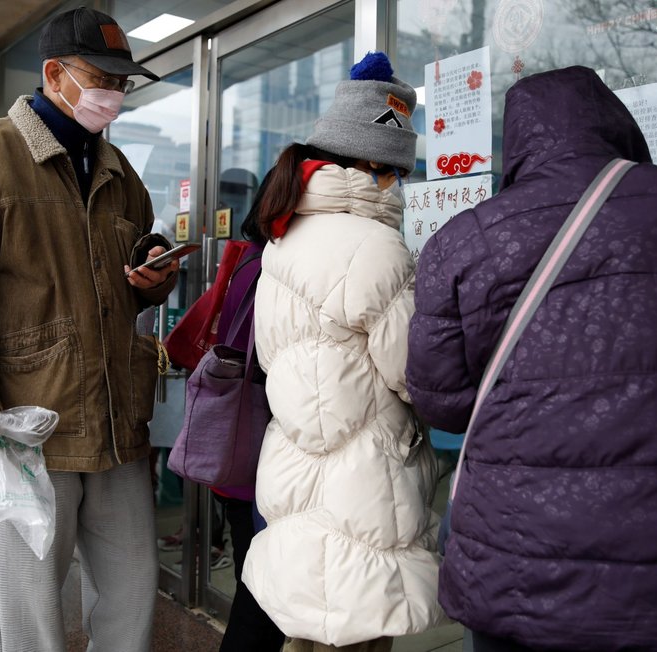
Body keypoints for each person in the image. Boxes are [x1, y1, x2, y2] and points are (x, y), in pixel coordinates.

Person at [406, 65, 657, 652]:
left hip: (518, 554)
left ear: (518, 142)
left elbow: (443, 402)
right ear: (617, 125)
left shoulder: (462, 239)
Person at [0, 8, 178, 651]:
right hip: (23, 429)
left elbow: (125, 276)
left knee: (131, 599)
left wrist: (153, 275)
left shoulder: (120, 172)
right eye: (101, 78)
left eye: (123, 82)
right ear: (55, 74)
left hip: (116, 426)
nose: (114, 94)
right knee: (27, 620)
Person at [240, 51, 444, 651]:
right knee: (355, 630)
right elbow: (413, 372)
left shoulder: (285, 237)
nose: (400, 184)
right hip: (364, 479)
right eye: (396, 171)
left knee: (311, 626)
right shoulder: (378, 250)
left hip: (297, 463)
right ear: (372, 165)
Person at [207, 174, 286, 652]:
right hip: (255, 459)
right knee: (260, 599)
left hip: (238, 457)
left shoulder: (247, 261)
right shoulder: (269, 271)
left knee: (253, 587)